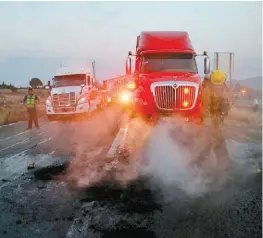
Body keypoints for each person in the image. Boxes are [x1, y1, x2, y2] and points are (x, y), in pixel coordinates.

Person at [196, 70, 231, 178]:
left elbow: (226, 102)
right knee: (218, 142)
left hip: (215, 120)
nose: (221, 85)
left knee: (207, 145)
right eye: (219, 84)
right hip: (210, 121)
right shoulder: (207, 91)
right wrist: (208, 125)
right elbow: (204, 110)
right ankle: (224, 167)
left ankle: (197, 164)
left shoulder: (223, 88)